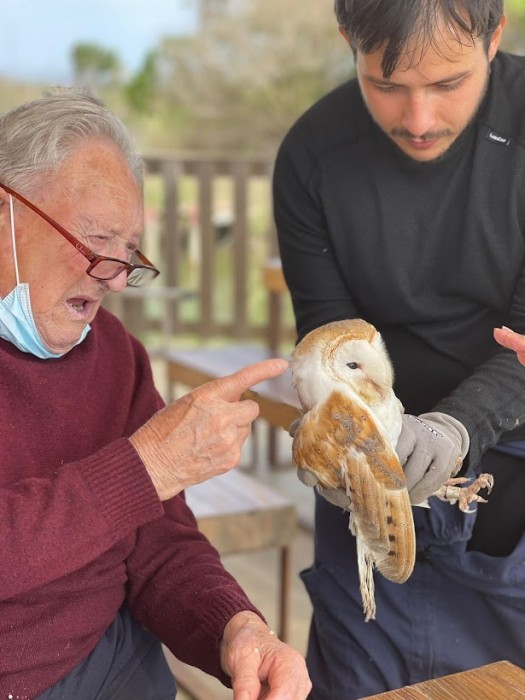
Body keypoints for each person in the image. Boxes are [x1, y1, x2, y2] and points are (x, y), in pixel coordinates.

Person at [0, 89, 311, 700]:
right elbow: (135, 484)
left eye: (126, 254)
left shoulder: (115, 354)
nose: (114, 280)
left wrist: (235, 629)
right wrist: (145, 468)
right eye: (95, 242)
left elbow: (158, 544)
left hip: (114, 657)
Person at [273, 1, 525, 697]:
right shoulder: (312, 155)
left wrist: (452, 429)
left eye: (448, 83)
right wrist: (338, 429)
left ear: (494, 37)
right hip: (370, 465)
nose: (418, 120)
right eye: (385, 84)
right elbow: (328, 336)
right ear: (347, 42)